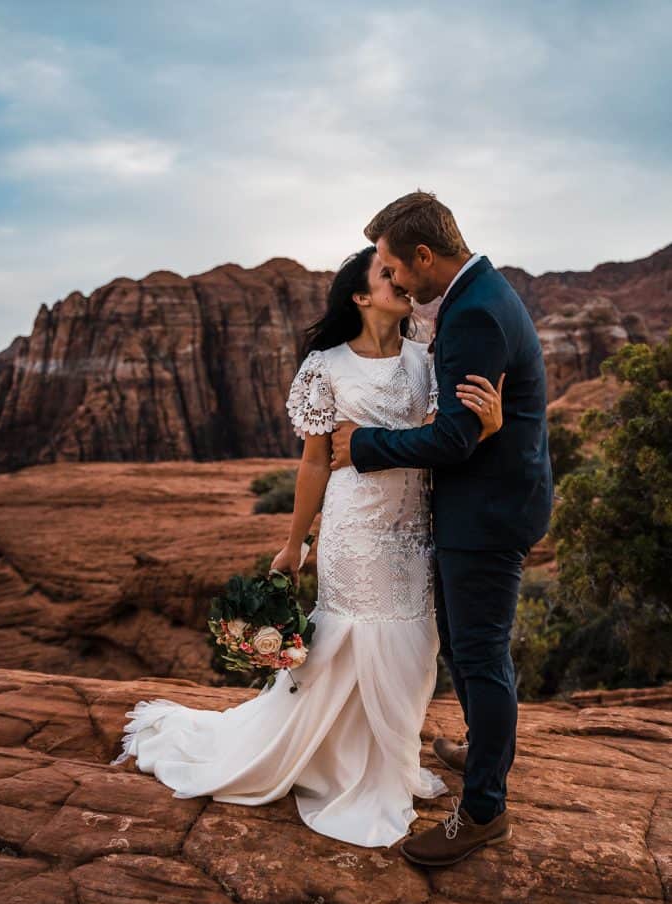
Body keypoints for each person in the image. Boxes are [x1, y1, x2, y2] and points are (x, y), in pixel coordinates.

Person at [109, 243, 504, 849]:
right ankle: (337, 769)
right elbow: (314, 463)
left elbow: (451, 438)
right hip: (354, 530)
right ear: (359, 295)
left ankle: (389, 765)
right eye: (385, 274)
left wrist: (489, 424)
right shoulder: (327, 366)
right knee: (353, 638)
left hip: (414, 533)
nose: (399, 281)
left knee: (411, 644)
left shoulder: (430, 359)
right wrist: (294, 543)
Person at [331, 191, 553, 867]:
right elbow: (467, 426)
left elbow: (455, 439)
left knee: (479, 655)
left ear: (423, 256)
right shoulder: (480, 294)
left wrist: (361, 447)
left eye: (395, 269)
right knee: (465, 647)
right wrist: (477, 428)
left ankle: (483, 809)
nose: (393, 281)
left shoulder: (476, 313)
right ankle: (483, 748)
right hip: (489, 500)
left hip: (485, 512)